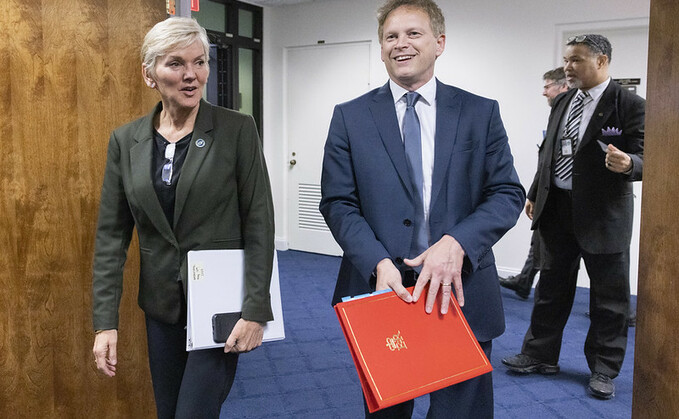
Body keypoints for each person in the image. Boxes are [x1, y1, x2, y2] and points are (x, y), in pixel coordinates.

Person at [319, 0, 525, 417]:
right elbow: (338, 202)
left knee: (460, 411)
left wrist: (458, 242)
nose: (401, 44)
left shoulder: (479, 112)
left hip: (459, 287)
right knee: (387, 411)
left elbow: (507, 193)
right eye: (390, 37)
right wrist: (377, 261)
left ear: (439, 42)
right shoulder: (350, 117)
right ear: (380, 48)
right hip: (382, 288)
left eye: (413, 34)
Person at [91, 17, 275, 418]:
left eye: (200, 62)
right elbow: (110, 237)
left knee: (194, 413)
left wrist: (256, 308)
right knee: (169, 411)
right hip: (162, 307)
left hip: (220, 302)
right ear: (149, 75)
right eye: (176, 64)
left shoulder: (237, 130)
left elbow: (259, 222)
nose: (192, 75)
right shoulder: (127, 141)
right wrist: (105, 323)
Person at [502, 34, 645, 400]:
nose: (568, 67)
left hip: (603, 216)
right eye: (566, 59)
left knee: (609, 300)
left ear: (601, 61)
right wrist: (536, 193)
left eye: (576, 60)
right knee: (550, 289)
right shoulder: (563, 100)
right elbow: (549, 151)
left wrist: (630, 163)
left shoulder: (628, 104)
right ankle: (539, 355)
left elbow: (649, 156)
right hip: (558, 210)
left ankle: (603, 369)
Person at [499, 67, 569, 299]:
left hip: (570, 199)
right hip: (548, 194)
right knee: (539, 238)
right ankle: (524, 281)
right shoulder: (557, 114)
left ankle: (615, 304)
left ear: (563, 87)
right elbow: (547, 160)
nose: (544, 92)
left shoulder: (572, 115)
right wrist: (533, 195)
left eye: (548, 86)